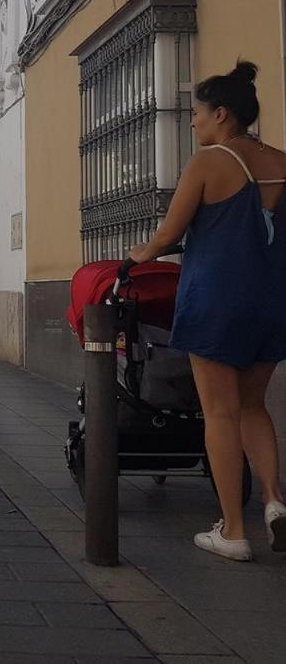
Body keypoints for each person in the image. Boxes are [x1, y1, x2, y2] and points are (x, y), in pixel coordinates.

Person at [126, 62, 286, 561]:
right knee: (253, 406)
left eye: (197, 114)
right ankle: (275, 501)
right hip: (271, 300)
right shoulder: (283, 161)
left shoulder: (209, 162)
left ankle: (233, 530)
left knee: (217, 411)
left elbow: (169, 234)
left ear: (222, 113)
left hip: (217, 300)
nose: (193, 123)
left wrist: (139, 256)